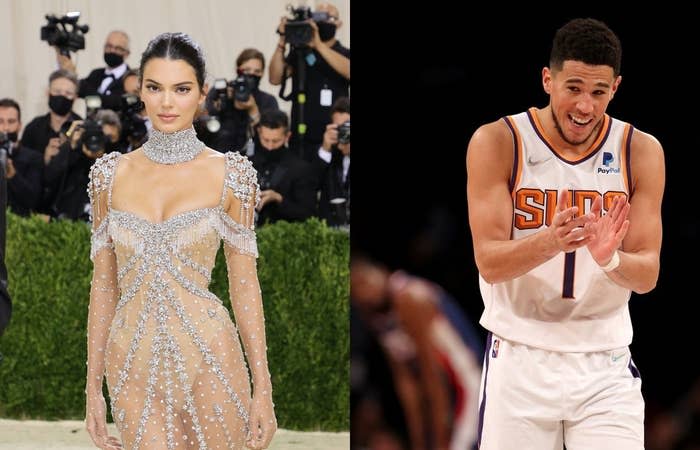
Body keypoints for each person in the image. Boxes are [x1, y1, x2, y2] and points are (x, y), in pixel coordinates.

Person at [465, 18, 665, 449]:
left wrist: (609, 258)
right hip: (520, 359)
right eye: (573, 88)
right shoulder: (499, 141)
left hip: (604, 364)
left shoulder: (640, 150)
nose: (585, 106)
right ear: (547, 79)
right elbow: (489, 263)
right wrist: (550, 241)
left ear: (615, 88)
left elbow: (647, 274)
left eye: (598, 92)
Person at [84, 32, 276, 450]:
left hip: (211, 354)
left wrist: (264, 388)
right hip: (130, 357)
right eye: (155, 88)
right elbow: (104, 285)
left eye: (181, 89)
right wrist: (92, 391)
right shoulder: (108, 175)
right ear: (141, 92)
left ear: (202, 94)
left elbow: (244, 286)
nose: (167, 103)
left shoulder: (232, 174)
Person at [269, 1, 350, 161]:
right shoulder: (301, 53)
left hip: (336, 136)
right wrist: (282, 42)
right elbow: (275, 78)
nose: (321, 21)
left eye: (327, 17)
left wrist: (318, 45)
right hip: (302, 137)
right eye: (317, 16)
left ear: (339, 24)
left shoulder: (344, 53)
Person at [198, 48, 279, 155]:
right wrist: (220, 103)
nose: (251, 75)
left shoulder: (268, 100)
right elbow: (205, 127)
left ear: (263, 73)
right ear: (238, 69)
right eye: (247, 70)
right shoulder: (222, 91)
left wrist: (253, 110)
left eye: (257, 71)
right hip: (219, 156)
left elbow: (271, 139)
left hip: (255, 160)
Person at [56, 30, 132, 112]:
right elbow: (77, 90)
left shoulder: (130, 79)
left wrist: (76, 78)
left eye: (118, 48)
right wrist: (62, 55)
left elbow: (114, 102)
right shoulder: (96, 74)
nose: (112, 51)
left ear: (127, 53)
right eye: (108, 46)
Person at [0, 98, 43, 217]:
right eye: (1, 122)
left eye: (11, 121)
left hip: (20, 227)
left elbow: (34, 201)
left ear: (19, 125)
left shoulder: (33, 158)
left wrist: (13, 175)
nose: (5, 128)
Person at [315, 96, 350, 228]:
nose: (343, 132)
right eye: (338, 128)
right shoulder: (328, 154)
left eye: (346, 127)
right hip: (331, 229)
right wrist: (325, 149)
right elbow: (312, 185)